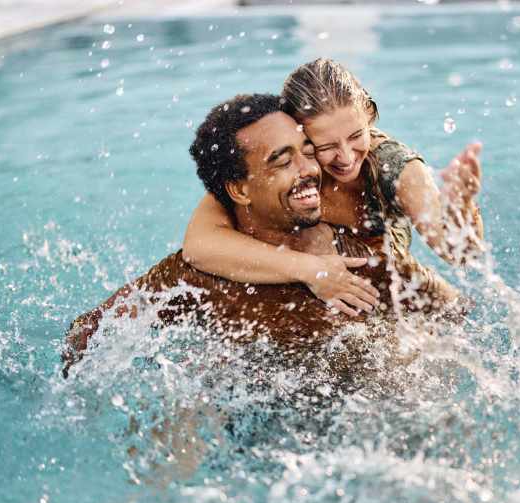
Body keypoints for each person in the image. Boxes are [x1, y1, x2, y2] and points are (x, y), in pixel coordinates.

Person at [62, 93, 460, 377]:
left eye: (308, 151)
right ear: (239, 190)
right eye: (282, 161)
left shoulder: (358, 263)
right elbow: (88, 335)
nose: (309, 170)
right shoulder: (198, 277)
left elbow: (454, 314)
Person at [181, 58, 484, 318]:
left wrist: (463, 206)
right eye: (325, 146)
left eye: (356, 136)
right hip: (318, 273)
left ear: (368, 114)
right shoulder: (290, 168)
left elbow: (458, 254)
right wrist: (310, 270)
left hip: (389, 274)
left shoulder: (396, 168)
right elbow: (199, 246)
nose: (347, 157)